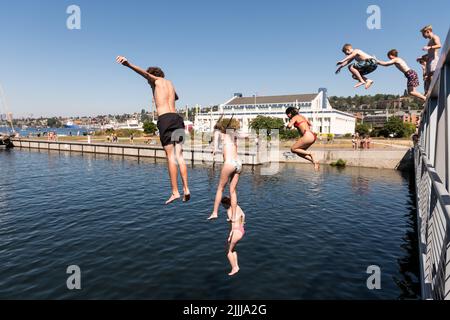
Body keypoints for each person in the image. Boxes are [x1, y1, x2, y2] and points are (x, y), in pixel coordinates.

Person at [117, 56, 190, 204]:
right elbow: (176, 97)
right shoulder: (170, 83)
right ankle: (186, 188)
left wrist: (128, 64)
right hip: (178, 119)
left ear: (153, 77)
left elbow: (144, 74)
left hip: (165, 119)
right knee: (180, 156)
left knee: (170, 157)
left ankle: (175, 192)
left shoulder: (155, 80)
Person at [208, 117, 241, 221]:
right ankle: (234, 216)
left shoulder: (219, 133)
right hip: (239, 163)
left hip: (229, 163)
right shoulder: (234, 136)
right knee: (232, 190)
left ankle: (214, 213)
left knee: (220, 188)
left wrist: (214, 149)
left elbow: (216, 145)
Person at [222, 197, 245, 276]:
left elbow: (232, 225)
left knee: (228, 252)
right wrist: (242, 225)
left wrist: (230, 234)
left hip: (235, 232)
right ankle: (236, 266)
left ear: (226, 204)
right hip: (241, 230)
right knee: (233, 249)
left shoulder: (229, 210)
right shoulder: (237, 206)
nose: (223, 207)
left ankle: (234, 268)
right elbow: (243, 215)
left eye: (223, 205)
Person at [421, 25, 441, 92]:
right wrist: (422, 57)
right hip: (430, 60)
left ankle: (435, 91)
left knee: (432, 75)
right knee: (428, 77)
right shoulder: (429, 41)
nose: (422, 36)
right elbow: (430, 52)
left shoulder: (435, 37)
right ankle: (431, 92)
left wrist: (429, 47)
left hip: (433, 60)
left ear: (428, 31)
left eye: (423, 34)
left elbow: (439, 45)